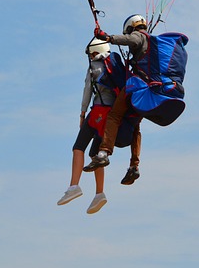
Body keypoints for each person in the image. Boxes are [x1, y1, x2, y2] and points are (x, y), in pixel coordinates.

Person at [87, 14, 150, 184]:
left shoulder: (139, 36)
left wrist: (108, 38)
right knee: (135, 125)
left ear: (131, 26)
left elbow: (131, 39)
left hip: (136, 85)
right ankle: (134, 166)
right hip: (150, 90)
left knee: (114, 115)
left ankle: (104, 152)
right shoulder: (153, 42)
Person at [57, 38, 113, 214]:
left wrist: (82, 114)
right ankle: (99, 193)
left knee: (78, 147)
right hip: (111, 116)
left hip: (97, 111)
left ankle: (74, 186)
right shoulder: (115, 65)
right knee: (96, 155)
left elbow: (87, 91)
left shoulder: (94, 67)